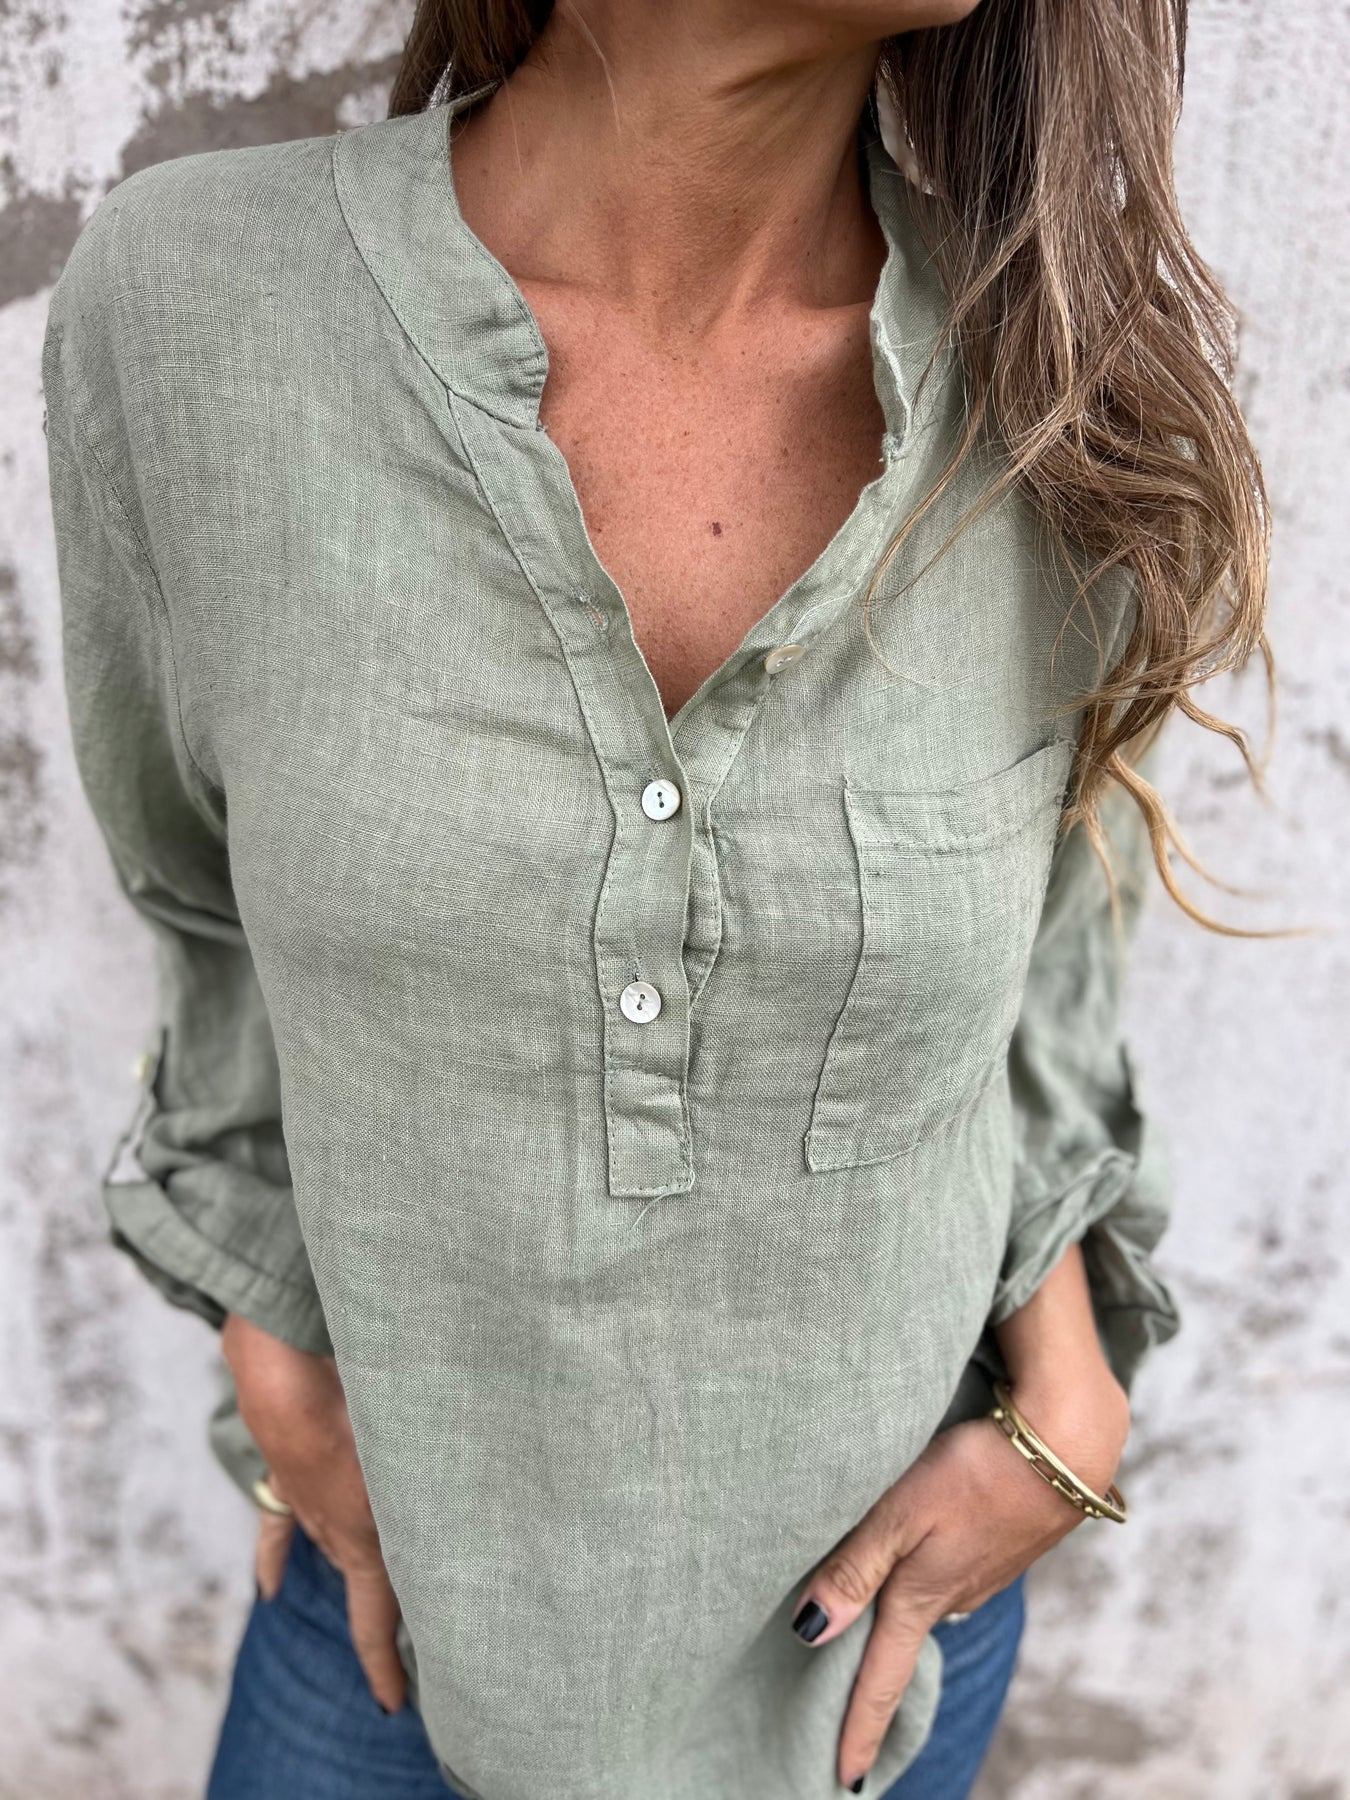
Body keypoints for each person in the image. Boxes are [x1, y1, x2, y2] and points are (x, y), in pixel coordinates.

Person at [43, 1, 1270, 1796]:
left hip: (865, 1668)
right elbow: (195, 888)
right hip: (390, 1609)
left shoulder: (1054, 371)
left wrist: (1066, 1395)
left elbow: (1049, 936)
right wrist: (268, 1335)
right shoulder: (195, 310)